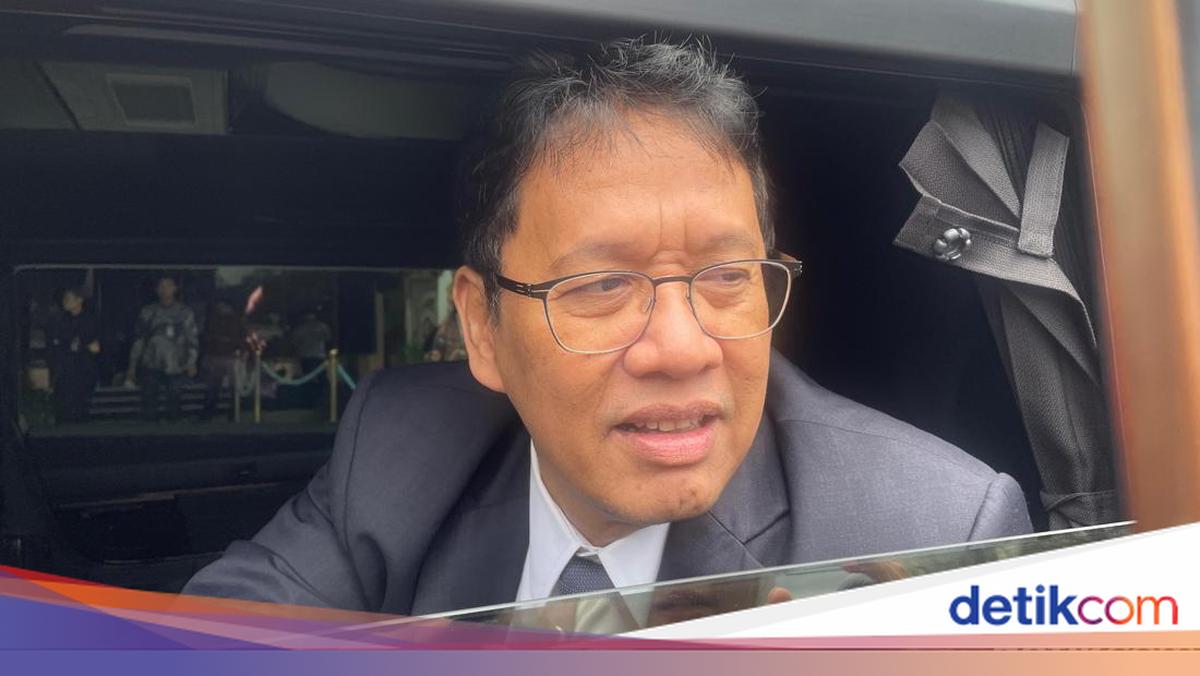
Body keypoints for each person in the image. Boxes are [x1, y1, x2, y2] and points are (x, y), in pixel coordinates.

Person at [184, 38, 1031, 618]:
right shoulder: (401, 448)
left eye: (727, 276)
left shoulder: (931, 533)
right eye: (601, 285)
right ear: (481, 326)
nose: (684, 348)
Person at [125, 275, 198, 421]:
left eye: (168, 286)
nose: (165, 290)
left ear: (175, 289)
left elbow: (192, 340)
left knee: (174, 401)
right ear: (157, 290)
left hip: (176, 363)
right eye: (161, 287)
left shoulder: (185, 312)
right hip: (151, 362)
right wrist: (132, 367)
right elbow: (139, 340)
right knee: (149, 401)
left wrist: (191, 362)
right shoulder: (147, 312)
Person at [46, 287, 100, 424]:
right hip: (65, 368)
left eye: (68, 298)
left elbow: (95, 346)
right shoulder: (61, 321)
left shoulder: (90, 320)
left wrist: (81, 348)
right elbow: (59, 344)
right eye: (64, 299)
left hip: (83, 368)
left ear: (79, 300)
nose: (65, 301)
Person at [200, 297, 246, 421]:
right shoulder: (213, 320)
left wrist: (241, 351)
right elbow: (207, 338)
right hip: (217, 357)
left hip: (231, 357)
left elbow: (242, 337)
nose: (221, 307)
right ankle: (208, 413)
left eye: (223, 305)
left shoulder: (236, 321)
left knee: (233, 388)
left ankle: (233, 413)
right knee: (213, 387)